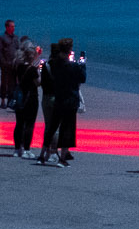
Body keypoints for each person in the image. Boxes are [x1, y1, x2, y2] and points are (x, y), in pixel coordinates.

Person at [38, 37, 85, 167]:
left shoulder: (55, 64)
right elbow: (82, 78)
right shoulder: (72, 66)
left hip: (59, 98)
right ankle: (62, 158)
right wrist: (82, 65)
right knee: (67, 129)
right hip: (69, 99)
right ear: (70, 50)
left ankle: (42, 154)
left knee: (52, 127)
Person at [7, 41, 41, 158]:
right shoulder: (32, 69)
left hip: (20, 97)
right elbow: (37, 83)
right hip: (31, 97)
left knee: (19, 123)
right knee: (29, 124)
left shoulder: (19, 67)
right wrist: (39, 73)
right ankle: (26, 149)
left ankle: (17, 149)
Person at [0, 21, 20, 110]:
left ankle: (11, 100)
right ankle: (2, 100)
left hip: (14, 64)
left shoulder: (16, 38)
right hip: (5, 64)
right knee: (4, 82)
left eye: (14, 26)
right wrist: (2, 62)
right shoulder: (2, 38)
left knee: (13, 83)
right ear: (7, 27)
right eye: (11, 26)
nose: (13, 28)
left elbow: (18, 50)